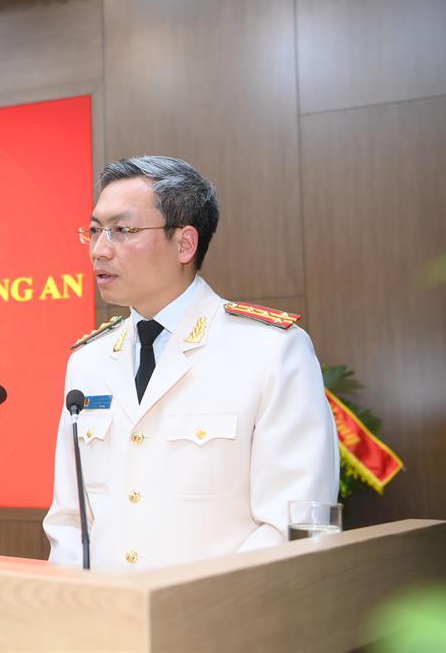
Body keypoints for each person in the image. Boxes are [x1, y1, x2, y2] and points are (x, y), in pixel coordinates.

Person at [43, 156, 339, 571]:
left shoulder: (269, 351)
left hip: (220, 623)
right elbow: (70, 519)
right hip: (104, 621)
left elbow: (297, 523)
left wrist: (200, 610)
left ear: (184, 243)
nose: (99, 249)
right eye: (94, 231)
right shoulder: (88, 362)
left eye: (122, 231)